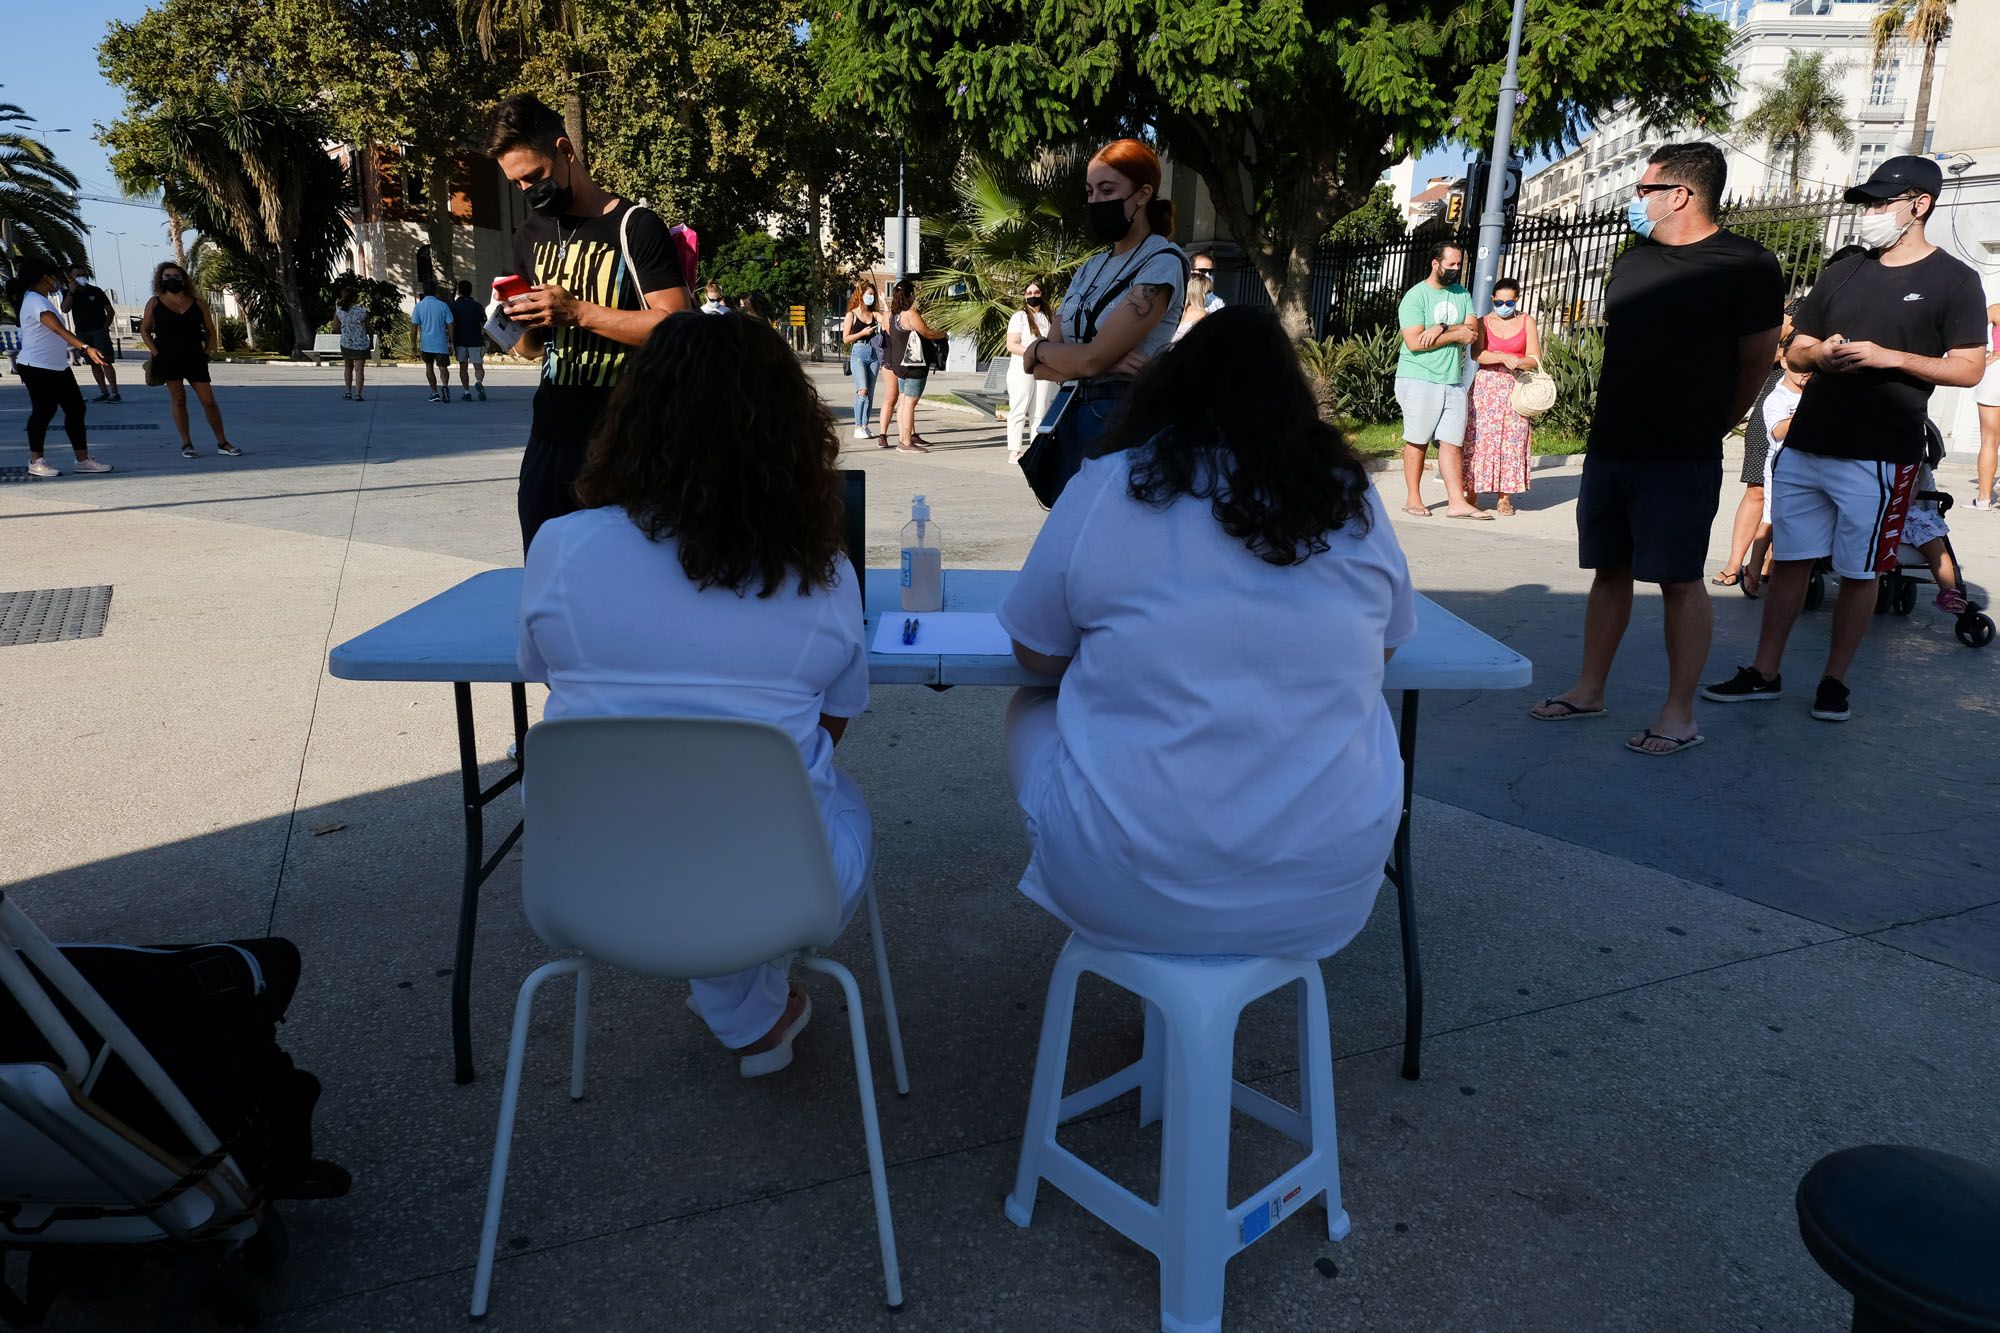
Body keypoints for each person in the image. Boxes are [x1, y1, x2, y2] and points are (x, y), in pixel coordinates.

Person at [997, 305, 1415, 958]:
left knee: (1035, 702)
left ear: (1170, 387)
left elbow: (1036, 652)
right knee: (1367, 713)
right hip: (1325, 889)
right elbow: (1385, 645)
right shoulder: (1347, 491)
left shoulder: (1111, 483)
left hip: (1121, 884)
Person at [519, 311, 869, 1076]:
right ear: (789, 428)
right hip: (785, 884)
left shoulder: (559, 548)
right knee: (809, 788)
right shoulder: (826, 572)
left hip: (586, 877)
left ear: (631, 415)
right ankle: (746, 1005)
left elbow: (561, 690)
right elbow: (832, 724)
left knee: (687, 780)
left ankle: (748, 1009)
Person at [1704, 155, 1987, 723]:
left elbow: (1970, 368)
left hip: (1881, 454)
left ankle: (1835, 682)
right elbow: (1797, 344)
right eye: (1868, 203)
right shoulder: (1844, 269)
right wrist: (1821, 353)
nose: (1871, 214)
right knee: (1792, 562)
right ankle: (1764, 672)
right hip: (1809, 443)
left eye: (1882, 203)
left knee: (1861, 571)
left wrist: (1891, 358)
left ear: (1919, 204)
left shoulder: (1954, 279)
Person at [1530, 143, 1782, 755]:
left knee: (1677, 578)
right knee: (1608, 569)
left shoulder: (1746, 264)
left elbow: (1755, 363)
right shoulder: (1635, 260)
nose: (1635, 200)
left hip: (1681, 450)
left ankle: (1679, 714)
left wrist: (1712, 423)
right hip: (1614, 442)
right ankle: (1590, 690)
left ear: (1680, 195)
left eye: (1645, 189)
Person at [485, 93, 692, 552]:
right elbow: (532, 350)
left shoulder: (634, 225)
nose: (527, 192)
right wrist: (517, 324)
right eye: (516, 184)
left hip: (628, 445)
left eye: (533, 177)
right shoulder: (529, 235)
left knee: (623, 587)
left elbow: (679, 328)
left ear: (565, 150)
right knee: (546, 577)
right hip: (550, 440)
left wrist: (578, 312)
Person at [1020, 137, 1187, 500]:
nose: (1095, 200)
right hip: (1071, 420)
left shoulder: (1162, 262)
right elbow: (1047, 363)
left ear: (1143, 194)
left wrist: (1049, 353)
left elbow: (1089, 357)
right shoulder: (1090, 267)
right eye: (1090, 191)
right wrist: (1038, 350)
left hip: (1122, 422)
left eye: (1107, 189)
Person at [1395, 243, 1484, 518]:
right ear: (1436, 263)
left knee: (1451, 442)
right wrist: (1456, 335)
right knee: (1418, 439)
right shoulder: (1415, 297)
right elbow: (1415, 342)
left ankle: (1456, 502)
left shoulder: (1462, 294)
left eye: (1459, 265)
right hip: (1419, 377)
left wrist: (1444, 328)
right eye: (1452, 265)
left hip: (1453, 379)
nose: (1456, 270)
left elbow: (1472, 329)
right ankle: (1413, 499)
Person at [7, 258, 113, 477]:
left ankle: (82, 460)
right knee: (44, 411)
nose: (57, 280)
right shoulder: (35, 300)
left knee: (76, 409)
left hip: (56, 367)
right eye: (54, 276)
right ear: (45, 277)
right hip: (36, 366)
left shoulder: (40, 299)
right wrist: (85, 347)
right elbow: (55, 328)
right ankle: (36, 462)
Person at [139, 260, 241, 459]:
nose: (172, 280)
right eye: (167, 276)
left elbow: (211, 332)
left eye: (176, 276)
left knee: (209, 401)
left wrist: (207, 353)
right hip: (168, 357)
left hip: (194, 357)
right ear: (160, 280)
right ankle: (186, 444)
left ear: (184, 279)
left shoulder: (197, 302)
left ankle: (222, 442)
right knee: (178, 399)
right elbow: (144, 330)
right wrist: (156, 352)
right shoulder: (155, 302)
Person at [1462, 275, 1540, 515]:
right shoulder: (1483, 321)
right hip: (1487, 387)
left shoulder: (1527, 321)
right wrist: (1500, 357)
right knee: (1479, 439)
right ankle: (1472, 491)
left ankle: (1504, 497)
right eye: (1499, 302)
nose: (1504, 307)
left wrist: (1518, 361)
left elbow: (1536, 358)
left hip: (1515, 387)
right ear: (1492, 299)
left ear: (1517, 300)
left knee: (1511, 441)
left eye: (1509, 302)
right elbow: (1477, 354)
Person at [1742, 332, 1811, 591]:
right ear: (1784, 362)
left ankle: (1778, 570)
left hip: (1808, 465)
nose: (1806, 374)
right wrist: (1806, 414)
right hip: (1781, 467)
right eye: (1800, 367)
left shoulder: (1812, 392)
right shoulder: (1777, 397)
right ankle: (1753, 570)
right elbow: (1777, 431)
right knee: (1771, 519)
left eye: (1810, 369)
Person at [882, 279, 945, 453]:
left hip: (899, 365)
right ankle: (906, 442)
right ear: (910, 295)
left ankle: (903, 439)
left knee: (903, 401)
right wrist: (943, 333)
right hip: (914, 365)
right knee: (909, 403)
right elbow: (927, 333)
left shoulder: (893, 316)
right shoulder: (910, 314)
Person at [1005, 278, 1055, 463]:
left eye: (1036, 293)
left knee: (1040, 410)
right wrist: (1035, 353)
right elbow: (1012, 344)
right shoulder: (1019, 317)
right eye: (1029, 293)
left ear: (1042, 294)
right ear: (1024, 296)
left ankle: (1036, 448)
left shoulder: (1049, 317)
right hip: (1022, 368)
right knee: (1020, 407)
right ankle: (1014, 450)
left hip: (1044, 369)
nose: (1032, 296)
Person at [60, 264, 121, 403]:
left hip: (99, 331)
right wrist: (71, 292)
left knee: (105, 361)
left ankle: (114, 393)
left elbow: (110, 311)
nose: (81, 277)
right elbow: (65, 309)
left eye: (83, 274)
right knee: (93, 363)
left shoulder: (96, 291)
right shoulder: (68, 293)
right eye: (78, 275)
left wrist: (104, 328)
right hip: (82, 333)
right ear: (71, 278)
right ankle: (103, 392)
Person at [841, 280, 885, 442]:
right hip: (859, 352)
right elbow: (845, 339)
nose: (871, 298)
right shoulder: (851, 314)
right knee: (863, 390)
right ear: (860, 295)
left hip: (874, 354)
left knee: (870, 394)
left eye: (873, 295)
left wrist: (884, 302)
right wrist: (862, 333)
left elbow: (886, 320)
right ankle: (857, 426)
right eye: (869, 295)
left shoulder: (874, 314)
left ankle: (865, 425)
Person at [1975, 299, 2000, 511]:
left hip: (1996, 375)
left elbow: (1966, 328)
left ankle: (1983, 499)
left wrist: (1985, 358)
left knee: (1989, 439)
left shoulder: (1996, 310)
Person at [411, 282, 455, 403]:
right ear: (435, 291)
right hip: (440, 342)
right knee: (443, 367)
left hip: (426, 343)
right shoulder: (443, 306)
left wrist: (413, 344)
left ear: (424, 291)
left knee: (429, 367)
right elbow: (450, 324)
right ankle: (445, 385)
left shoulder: (419, 306)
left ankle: (434, 392)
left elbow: (414, 326)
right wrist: (451, 341)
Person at [332, 284, 372, 401]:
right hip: (361, 343)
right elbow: (369, 328)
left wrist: (343, 329)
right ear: (355, 298)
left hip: (346, 343)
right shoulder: (362, 311)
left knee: (348, 367)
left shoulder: (339, 311)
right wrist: (370, 338)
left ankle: (348, 392)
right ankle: (358, 394)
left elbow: (335, 328)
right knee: (360, 370)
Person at [451, 280, 489, 401]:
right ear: (471, 291)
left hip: (460, 340)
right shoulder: (477, 306)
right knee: (478, 366)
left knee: (463, 368)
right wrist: (486, 339)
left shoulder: (455, 306)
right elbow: (484, 322)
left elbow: (451, 323)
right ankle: (479, 382)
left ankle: (466, 392)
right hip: (476, 339)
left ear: (459, 291)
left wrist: (450, 341)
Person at [1172, 272, 1213, 342]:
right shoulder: (1207, 317)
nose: (1211, 295)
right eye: (1208, 291)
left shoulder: (1171, 311)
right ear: (1199, 292)